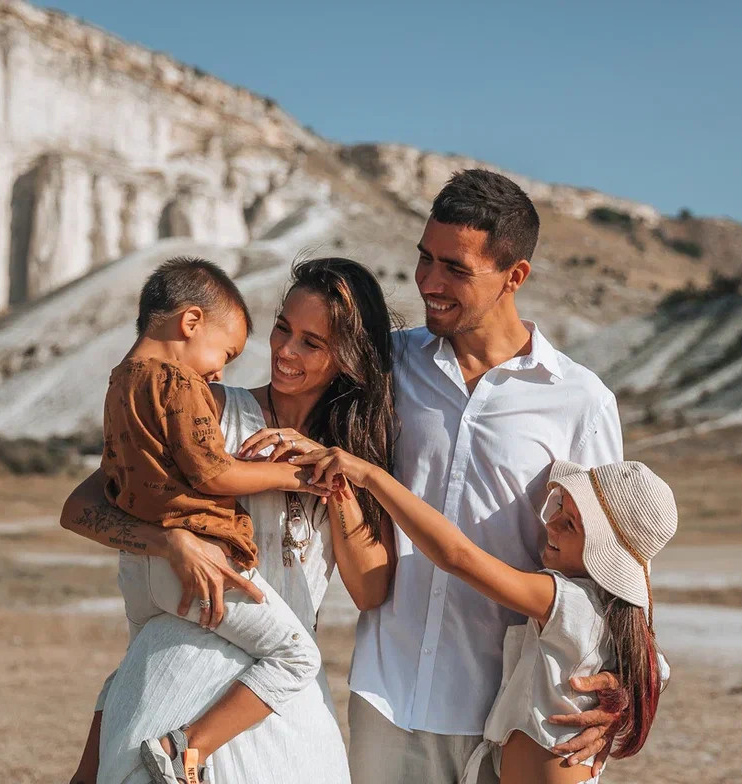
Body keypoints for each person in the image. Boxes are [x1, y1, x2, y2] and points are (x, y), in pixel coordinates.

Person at [62, 258, 398, 784]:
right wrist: (168, 540)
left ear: (349, 359)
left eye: (312, 343)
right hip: (178, 679)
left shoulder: (353, 460)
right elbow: (83, 506)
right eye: (283, 328)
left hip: (283, 698)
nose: (285, 351)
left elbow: (371, 589)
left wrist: (329, 473)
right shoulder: (207, 407)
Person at [344, 169, 628, 784]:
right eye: (425, 259)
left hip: (518, 713)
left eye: (455, 269)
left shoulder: (580, 401)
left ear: (514, 276)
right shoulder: (387, 366)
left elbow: (618, 563)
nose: (429, 282)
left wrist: (632, 685)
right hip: (388, 697)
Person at [293, 449, 675, 783]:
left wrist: (372, 477)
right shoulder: (616, 619)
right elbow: (657, 668)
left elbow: (456, 556)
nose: (551, 524)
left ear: (603, 552)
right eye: (560, 509)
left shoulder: (568, 602)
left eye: (570, 524)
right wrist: (624, 698)